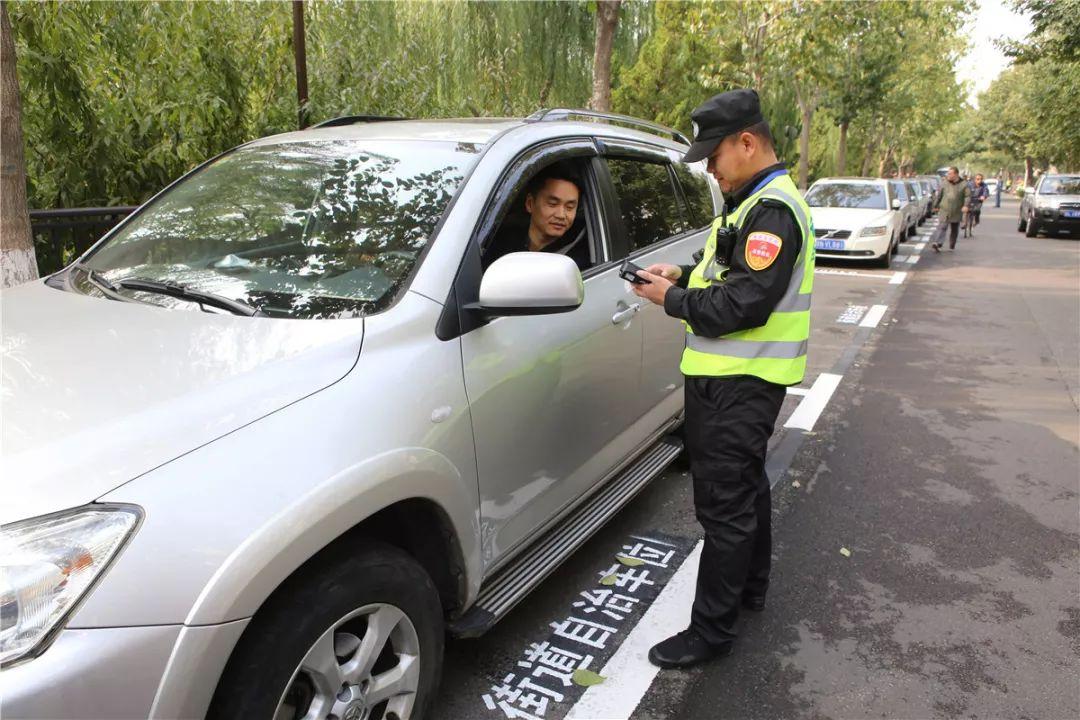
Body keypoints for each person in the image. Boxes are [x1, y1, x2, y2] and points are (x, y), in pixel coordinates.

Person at [630, 89, 814, 668]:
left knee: (723, 509)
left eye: (715, 156)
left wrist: (673, 299)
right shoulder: (752, 203)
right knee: (746, 490)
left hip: (740, 382)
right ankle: (750, 588)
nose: (710, 167)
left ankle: (711, 632)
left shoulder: (773, 212)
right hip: (732, 379)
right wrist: (680, 273)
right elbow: (727, 274)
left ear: (748, 142)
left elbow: (742, 305)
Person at [485, 165, 590, 270]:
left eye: (570, 207)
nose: (561, 215)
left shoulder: (579, 256)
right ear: (530, 204)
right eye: (552, 204)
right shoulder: (501, 243)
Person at [931, 166, 971, 252]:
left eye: (950, 173)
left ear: (956, 174)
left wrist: (966, 205)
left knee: (954, 228)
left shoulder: (964, 184)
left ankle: (952, 245)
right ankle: (937, 243)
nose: (948, 175)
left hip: (956, 210)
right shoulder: (944, 183)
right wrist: (935, 206)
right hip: (944, 209)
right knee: (942, 226)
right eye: (948, 173)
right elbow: (939, 196)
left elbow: (967, 196)